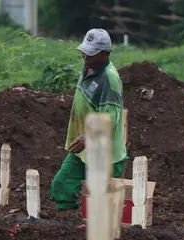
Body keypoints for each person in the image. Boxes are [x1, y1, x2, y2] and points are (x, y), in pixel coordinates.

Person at [50, 29, 128, 218]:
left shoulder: (109, 78)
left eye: (91, 53)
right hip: (83, 149)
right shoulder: (89, 68)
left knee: (101, 205)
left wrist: (88, 136)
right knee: (62, 185)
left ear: (105, 54)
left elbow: (111, 117)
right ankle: (66, 228)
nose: (85, 56)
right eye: (85, 51)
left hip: (103, 152)